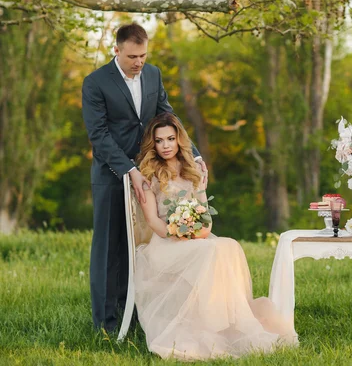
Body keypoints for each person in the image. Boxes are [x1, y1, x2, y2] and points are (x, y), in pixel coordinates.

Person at [133, 113, 295, 360]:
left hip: (196, 238)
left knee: (228, 246)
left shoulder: (192, 170)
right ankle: (207, 327)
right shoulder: (149, 174)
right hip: (165, 244)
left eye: (170, 139)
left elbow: (205, 218)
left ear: (179, 140)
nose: (165, 145)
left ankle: (224, 323)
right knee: (211, 251)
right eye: (159, 140)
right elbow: (155, 222)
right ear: (152, 144)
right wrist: (177, 230)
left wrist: (197, 231)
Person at [82, 23, 206, 332]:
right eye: (133, 56)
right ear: (117, 51)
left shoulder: (153, 74)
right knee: (110, 249)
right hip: (112, 176)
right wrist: (129, 170)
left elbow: (167, 117)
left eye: (143, 55)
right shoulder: (95, 83)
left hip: (152, 173)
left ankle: (138, 315)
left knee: (143, 246)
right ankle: (107, 326)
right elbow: (98, 135)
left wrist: (195, 154)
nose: (139, 62)